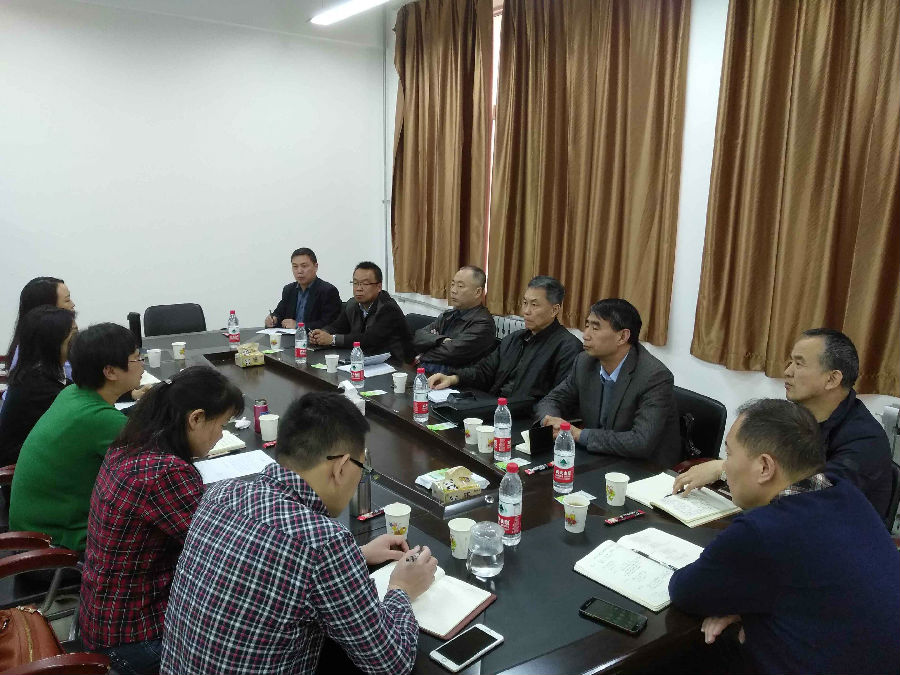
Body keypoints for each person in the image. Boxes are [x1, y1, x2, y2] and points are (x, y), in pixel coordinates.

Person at [161, 392, 437, 675]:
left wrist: (357, 555)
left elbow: (272, 558)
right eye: (363, 466)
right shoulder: (324, 544)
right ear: (341, 466)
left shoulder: (220, 494)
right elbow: (390, 663)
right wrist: (401, 588)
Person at [668, 399, 900, 675]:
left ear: (765, 467)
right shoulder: (846, 494)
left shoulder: (762, 531)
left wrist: (744, 609)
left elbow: (685, 591)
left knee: (689, 655)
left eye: (729, 454)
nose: (725, 466)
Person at [79, 367, 244, 675]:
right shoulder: (166, 472)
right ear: (195, 419)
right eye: (221, 425)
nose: (222, 435)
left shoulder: (132, 444)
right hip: (133, 638)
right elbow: (223, 555)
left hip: (101, 618)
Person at [673, 328, 893, 519]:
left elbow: (811, 496)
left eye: (799, 364)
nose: (787, 372)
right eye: (790, 362)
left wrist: (723, 469)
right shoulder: (796, 416)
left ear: (832, 379)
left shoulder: (865, 440)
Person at [9, 323, 144, 551]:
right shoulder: (100, 419)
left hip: (30, 530)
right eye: (137, 359)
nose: (142, 365)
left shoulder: (72, 393)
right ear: (110, 372)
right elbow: (153, 469)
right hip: (58, 545)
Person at [535, 299, 681, 467]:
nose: (585, 335)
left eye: (595, 328)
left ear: (622, 336)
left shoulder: (654, 376)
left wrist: (578, 434)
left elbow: (640, 442)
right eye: (587, 325)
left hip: (643, 468)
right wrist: (552, 422)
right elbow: (552, 400)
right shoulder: (584, 362)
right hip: (598, 457)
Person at [428, 276, 582, 407]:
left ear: (554, 310)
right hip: (495, 406)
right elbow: (484, 371)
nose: (526, 311)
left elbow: (558, 400)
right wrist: (452, 378)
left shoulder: (568, 348)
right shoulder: (515, 339)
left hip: (525, 418)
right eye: (525, 303)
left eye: (534, 305)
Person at [0, 306, 76, 466]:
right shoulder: (39, 387)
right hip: (21, 468)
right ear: (53, 342)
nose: (80, 341)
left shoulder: (42, 373)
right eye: (74, 335)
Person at [309, 261, 414, 362]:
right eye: (355, 283)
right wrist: (322, 333)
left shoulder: (389, 308)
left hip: (394, 364)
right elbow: (337, 326)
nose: (358, 288)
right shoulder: (352, 304)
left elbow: (370, 339)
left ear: (379, 287)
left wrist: (332, 339)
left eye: (365, 284)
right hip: (364, 359)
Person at [414, 266, 496, 372]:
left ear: (478, 292)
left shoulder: (483, 323)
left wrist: (425, 351)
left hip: (454, 378)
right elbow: (418, 336)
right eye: (452, 284)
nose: (453, 290)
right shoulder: (449, 314)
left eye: (460, 286)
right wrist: (441, 340)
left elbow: (451, 353)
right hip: (429, 370)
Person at [265, 247, 342, 331]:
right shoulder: (289, 289)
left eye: (304, 266)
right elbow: (279, 313)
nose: (299, 271)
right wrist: (273, 319)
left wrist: (299, 325)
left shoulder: (328, 291)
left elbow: (330, 323)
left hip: (313, 338)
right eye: (295, 266)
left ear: (315, 267)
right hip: (289, 337)